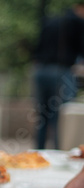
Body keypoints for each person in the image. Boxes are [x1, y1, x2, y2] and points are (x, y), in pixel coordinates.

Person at [32, 3, 84, 149]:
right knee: (60, 119)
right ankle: (59, 156)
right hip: (61, 73)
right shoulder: (78, 22)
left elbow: (37, 48)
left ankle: (38, 154)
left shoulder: (51, 20)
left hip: (40, 71)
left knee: (42, 117)